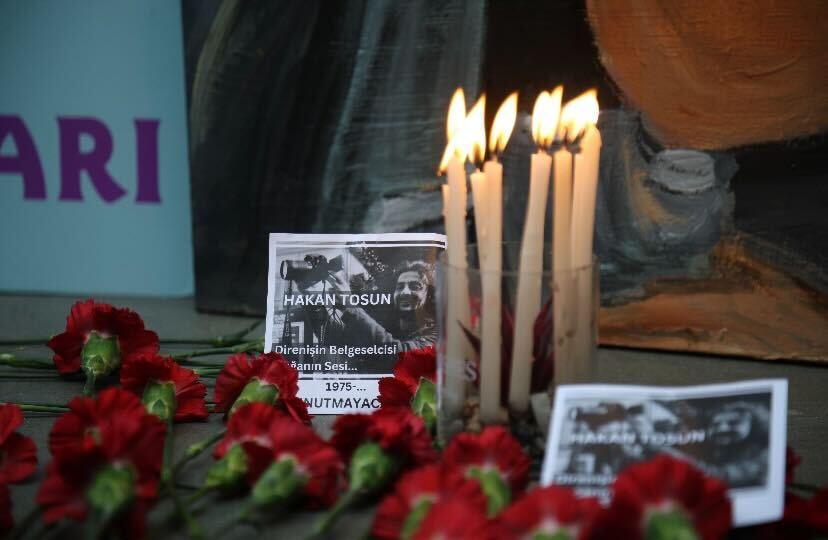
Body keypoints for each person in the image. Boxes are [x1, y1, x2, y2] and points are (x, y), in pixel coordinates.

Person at [321, 260, 437, 353]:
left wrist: (350, 306)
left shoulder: (435, 335)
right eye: (400, 287)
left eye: (415, 286)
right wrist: (315, 305)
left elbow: (398, 353)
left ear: (430, 295)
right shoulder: (388, 324)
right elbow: (340, 339)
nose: (404, 292)